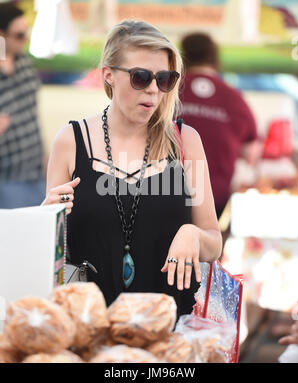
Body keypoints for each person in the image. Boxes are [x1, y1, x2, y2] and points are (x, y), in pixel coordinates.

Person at [42, 20, 222, 318]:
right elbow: (51, 252)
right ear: (108, 75)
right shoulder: (71, 141)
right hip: (90, 327)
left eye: (164, 79)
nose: (153, 90)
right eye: (141, 77)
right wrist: (48, 218)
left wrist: (193, 234)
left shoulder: (185, 141)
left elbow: (213, 242)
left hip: (169, 329)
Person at [179, 33, 260, 218]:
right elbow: (251, 153)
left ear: (182, 57)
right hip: (215, 200)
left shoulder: (167, 92)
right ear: (215, 57)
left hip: (166, 195)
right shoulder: (235, 99)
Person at [0, 2, 45, 209]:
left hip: (37, 174)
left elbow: (34, 117)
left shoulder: (25, 63)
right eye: (19, 35)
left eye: (25, 34)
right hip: (7, 179)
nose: (24, 40)